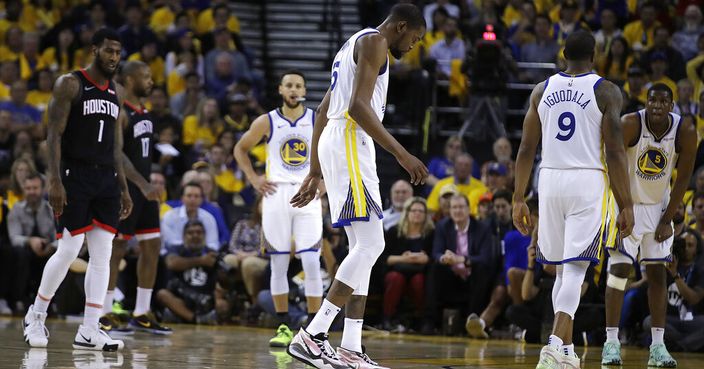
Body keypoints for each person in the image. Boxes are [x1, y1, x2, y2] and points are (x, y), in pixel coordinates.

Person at [287, 4, 428, 369]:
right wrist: (401, 154)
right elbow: (357, 108)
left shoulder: (352, 42)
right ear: (401, 27)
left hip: (337, 143)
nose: (414, 46)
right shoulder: (376, 42)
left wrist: (316, 171)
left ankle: (350, 346)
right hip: (351, 141)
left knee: (360, 248)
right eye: (415, 38)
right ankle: (313, 335)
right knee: (372, 243)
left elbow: (322, 111)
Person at [513, 30, 634, 369]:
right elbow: (614, 151)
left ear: (563, 54)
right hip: (587, 179)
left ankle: (565, 352)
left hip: (549, 178)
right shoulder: (606, 90)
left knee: (562, 273)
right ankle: (553, 346)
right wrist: (626, 203)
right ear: (596, 56)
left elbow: (525, 148)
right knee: (576, 269)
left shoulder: (542, 90)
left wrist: (518, 197)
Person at [22, 28, 133, 351]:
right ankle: (36, 315)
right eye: (109, 51)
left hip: (106, 179)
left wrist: (123, 188)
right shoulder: (70, 83)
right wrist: (54, 180)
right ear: (95, 49)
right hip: (74, 175)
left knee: (103, 254)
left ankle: (89, 329)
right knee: (69, 249)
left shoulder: (118, 92)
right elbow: (53, 135)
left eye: (118, 52)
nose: (114, 57)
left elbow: (116, 146)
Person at [601, 84, 695, 367]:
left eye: (663, 101)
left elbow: (683, 178)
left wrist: (667, 220)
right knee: (618, 270)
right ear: (646, 101)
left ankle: (657, 345)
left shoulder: (686, 131)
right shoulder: (630, 123)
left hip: (658, 208)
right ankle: (611, 342)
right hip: (626, 201)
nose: (656, 105)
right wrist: (623, 207)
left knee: (657, 275)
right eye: (652, 100)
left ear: (672, 104)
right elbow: (612, 160)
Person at [233, 70, 325, 348]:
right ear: (281, 90)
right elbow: (240, 149)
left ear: (305, 91)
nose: (294, 89)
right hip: (276, 196)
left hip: (306, 193)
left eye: (299, 85)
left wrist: (326, 185)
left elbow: (337, 151)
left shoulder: (316, 119)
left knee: (311, 261)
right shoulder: (267, 121)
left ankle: (314, 331)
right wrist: (253, 179)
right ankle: (284, 325)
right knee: (279, 263)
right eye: (289, 85)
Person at [101, 61, 172, 335]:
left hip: (144, 190)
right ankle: (104, 311)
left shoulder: (146, 112)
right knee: (116, 249)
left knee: (152, 245)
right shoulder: (120, 112)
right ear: (129, 80)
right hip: (124, 190)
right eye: (145, 77)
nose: (151, 82)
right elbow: (117, 153)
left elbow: (141, 154)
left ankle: (142, 312)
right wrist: (141, 184)